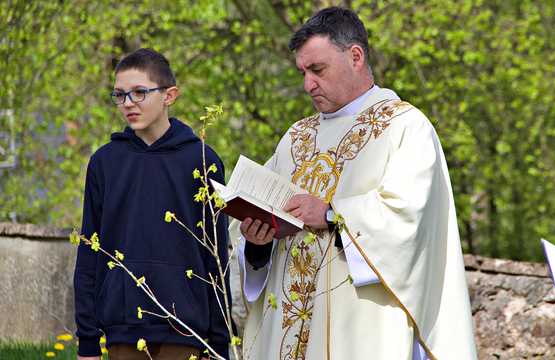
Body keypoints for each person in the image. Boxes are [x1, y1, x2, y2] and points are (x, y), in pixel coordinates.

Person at [237, 7, 477, 360]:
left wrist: (332, 213)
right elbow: (258, 245)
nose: (308, 84)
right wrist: (257, 245)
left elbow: (409, 221)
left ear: (355, 56)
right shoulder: (295, 137)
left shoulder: (404, 127)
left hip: (363, 332)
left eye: (317, 70)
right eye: (303, 72)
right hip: (288, 323)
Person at [73, 48, 230, 360]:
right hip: (123, 327)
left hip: (187, 330)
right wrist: (88, 340)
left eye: (139, 93)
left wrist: (219, 343)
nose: (128, 103)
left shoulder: (203, 160)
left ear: (169, 95)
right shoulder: (105, 163)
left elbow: (216, 257)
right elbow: (89, 253)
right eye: (120, 95)